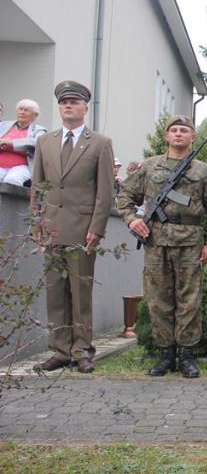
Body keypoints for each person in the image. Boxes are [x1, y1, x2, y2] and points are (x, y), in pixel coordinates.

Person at [116, 115, 207, 378]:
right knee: (158, 299)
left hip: (190, 241)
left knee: (189, 299)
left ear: (192, 137)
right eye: (173, 130)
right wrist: (132, 221)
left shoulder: (202, 170)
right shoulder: (150, 167)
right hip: (156, 241)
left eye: (184, 130)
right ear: (166, 136)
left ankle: (187, 355)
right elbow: (125, 196)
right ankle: (165, 354)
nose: (178, 134)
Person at [30, 81, 114, 373]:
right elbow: (38, 186)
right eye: (64, 102)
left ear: (85, 108)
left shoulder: (100, 143)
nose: (68, 106)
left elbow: (105, 191)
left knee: (80, 293)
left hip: (82, 229)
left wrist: (97, 228)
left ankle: (81, 350)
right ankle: (59, 349)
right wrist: (37, 224)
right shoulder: (45, 142)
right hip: (51, 228)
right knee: (55, 293)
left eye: (74, 102)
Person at [0, 99, 47, 186]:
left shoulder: (39, 130)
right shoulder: (3, 125)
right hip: (1, 165)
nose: (22, 112)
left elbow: (36, 142)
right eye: (20, 109)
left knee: (11, 181)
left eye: (26, 110)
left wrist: (10, 143)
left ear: (35, 115)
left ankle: (11, 200)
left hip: (21, 166)